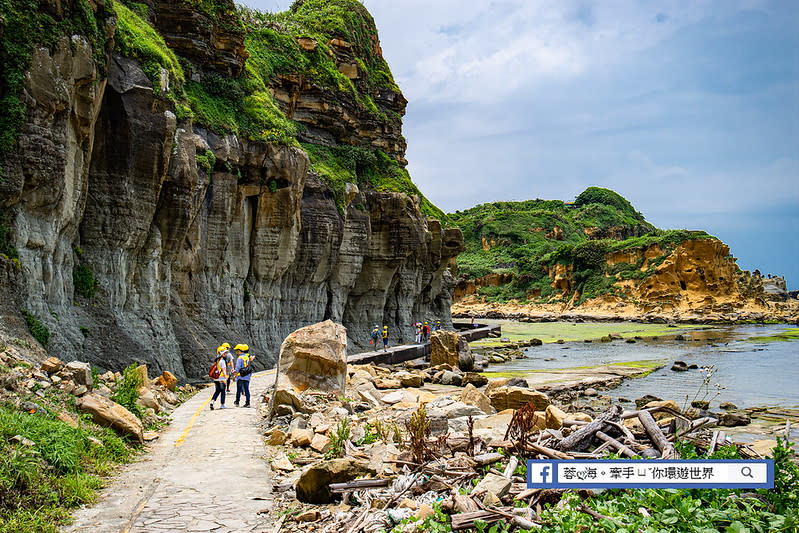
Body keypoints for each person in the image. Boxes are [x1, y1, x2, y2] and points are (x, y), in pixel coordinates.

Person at [233, 343, 252, 407]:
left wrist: (235, 374)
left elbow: (237, 368)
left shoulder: (240, 358)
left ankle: (237, 402)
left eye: (237, 351)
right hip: (247, 376)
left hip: (240, 376)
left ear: (240, 351)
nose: (237, 352)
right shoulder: (247, 357)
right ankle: (248, 402)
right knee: (247, 389)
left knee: (239, 390)